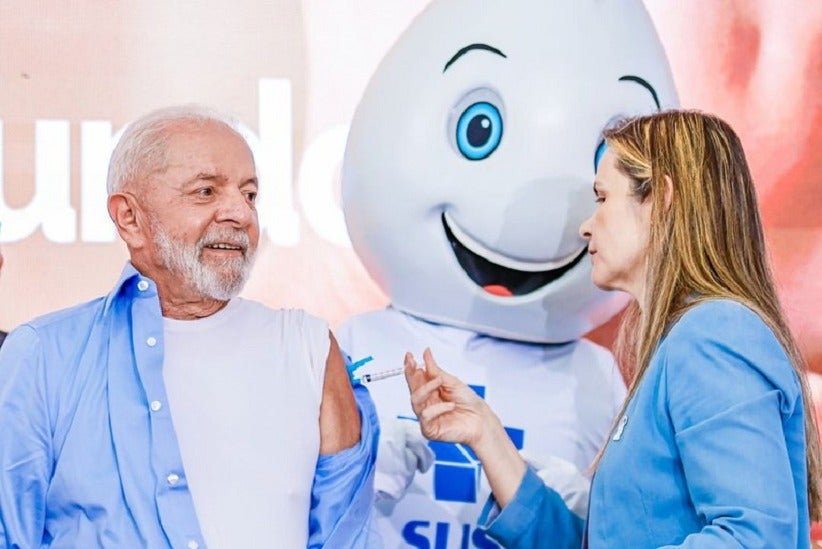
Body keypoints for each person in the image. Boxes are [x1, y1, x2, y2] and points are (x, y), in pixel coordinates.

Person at [405, 110, 822, 547]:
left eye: (602, 198)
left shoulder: (715, 334)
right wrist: (485, 433)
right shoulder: (687, 341)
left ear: (661, 199)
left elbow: (753, 539)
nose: (586, 226)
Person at [0, 105, 377, 548]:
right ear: (130, 218)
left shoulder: (308, 348)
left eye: (250, 194)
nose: (239, 213)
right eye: (206, 191)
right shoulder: (43, 355)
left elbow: (345, 536)